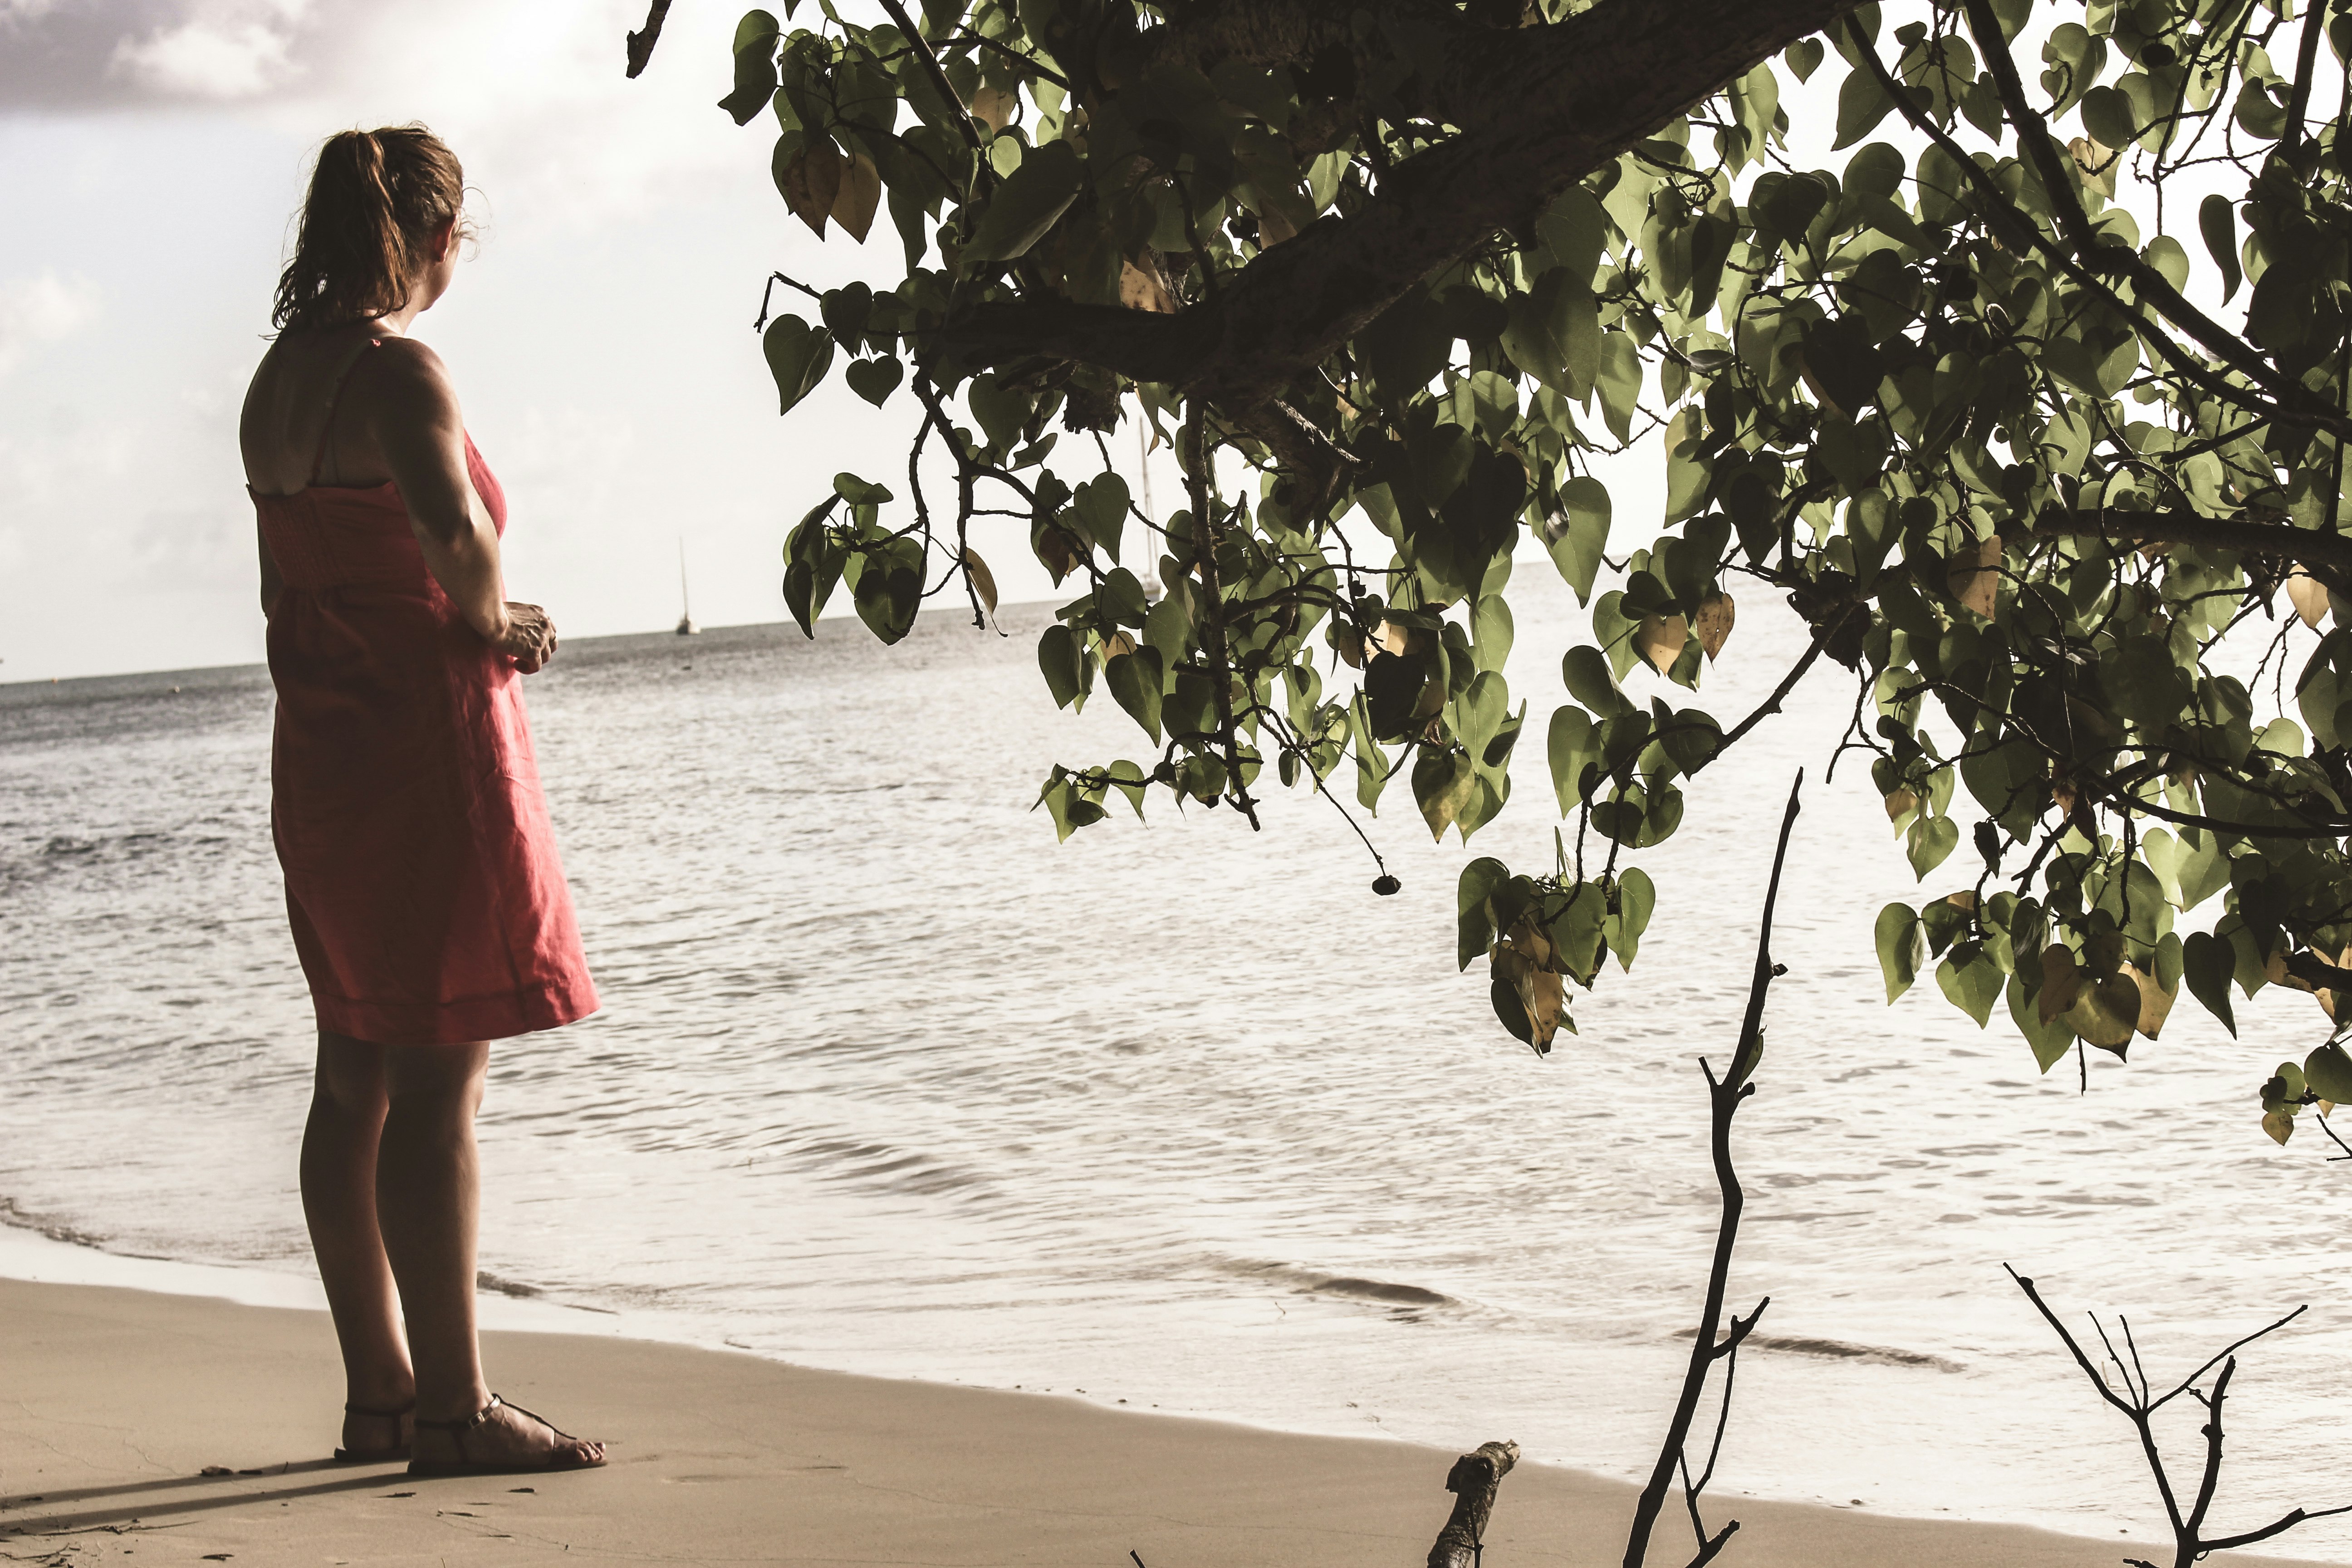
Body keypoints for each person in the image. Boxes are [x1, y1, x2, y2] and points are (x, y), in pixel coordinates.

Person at [239, 124, 605, 1477]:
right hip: (420, 745)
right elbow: (453, 536)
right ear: (432, 241)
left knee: (352, 1083)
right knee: (441, 1088)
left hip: (322, 752)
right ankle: (454, 1409)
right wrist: (503, 619)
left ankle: (380, 1394)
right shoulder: (399, 373)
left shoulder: (275, 383)